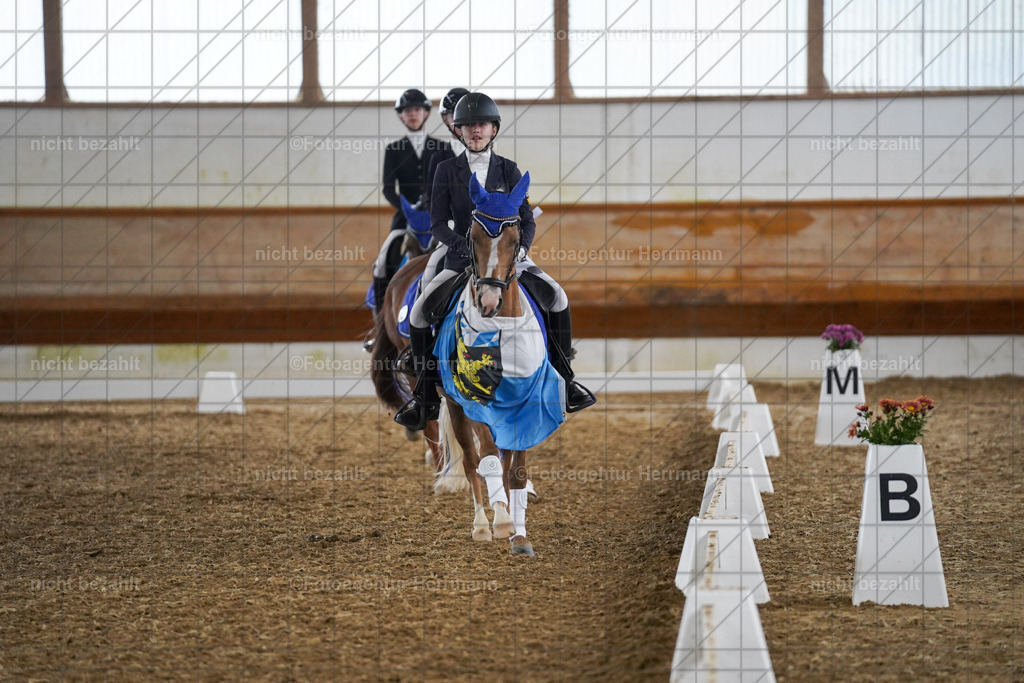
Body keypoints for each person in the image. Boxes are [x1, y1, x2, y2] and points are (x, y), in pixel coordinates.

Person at [394, 92, 596, 430]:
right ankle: (424, 396)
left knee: (558, 297)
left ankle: (565, 381)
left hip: (506, 257)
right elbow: (438, 223)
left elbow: (526, 219)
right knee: (418, 313)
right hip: (461, 254)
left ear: (493, 129)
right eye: (469, 125)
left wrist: (520, 250)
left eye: (482, 125)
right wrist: (462, 246)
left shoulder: (509, 169)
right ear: (458, 131)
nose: (476, 131)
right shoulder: (446, 169)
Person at [370, 88, 444, 313]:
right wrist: (407, 208)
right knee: (383, 262)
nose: (413, 114)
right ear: (401, 116)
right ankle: (382, 318)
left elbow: (451, 185)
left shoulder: (443, 148)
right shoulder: (394, 150)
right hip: (405, 219)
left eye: (417, 109)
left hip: (439, 218)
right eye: (407, 110)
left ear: (426, 113)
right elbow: (388, 188)